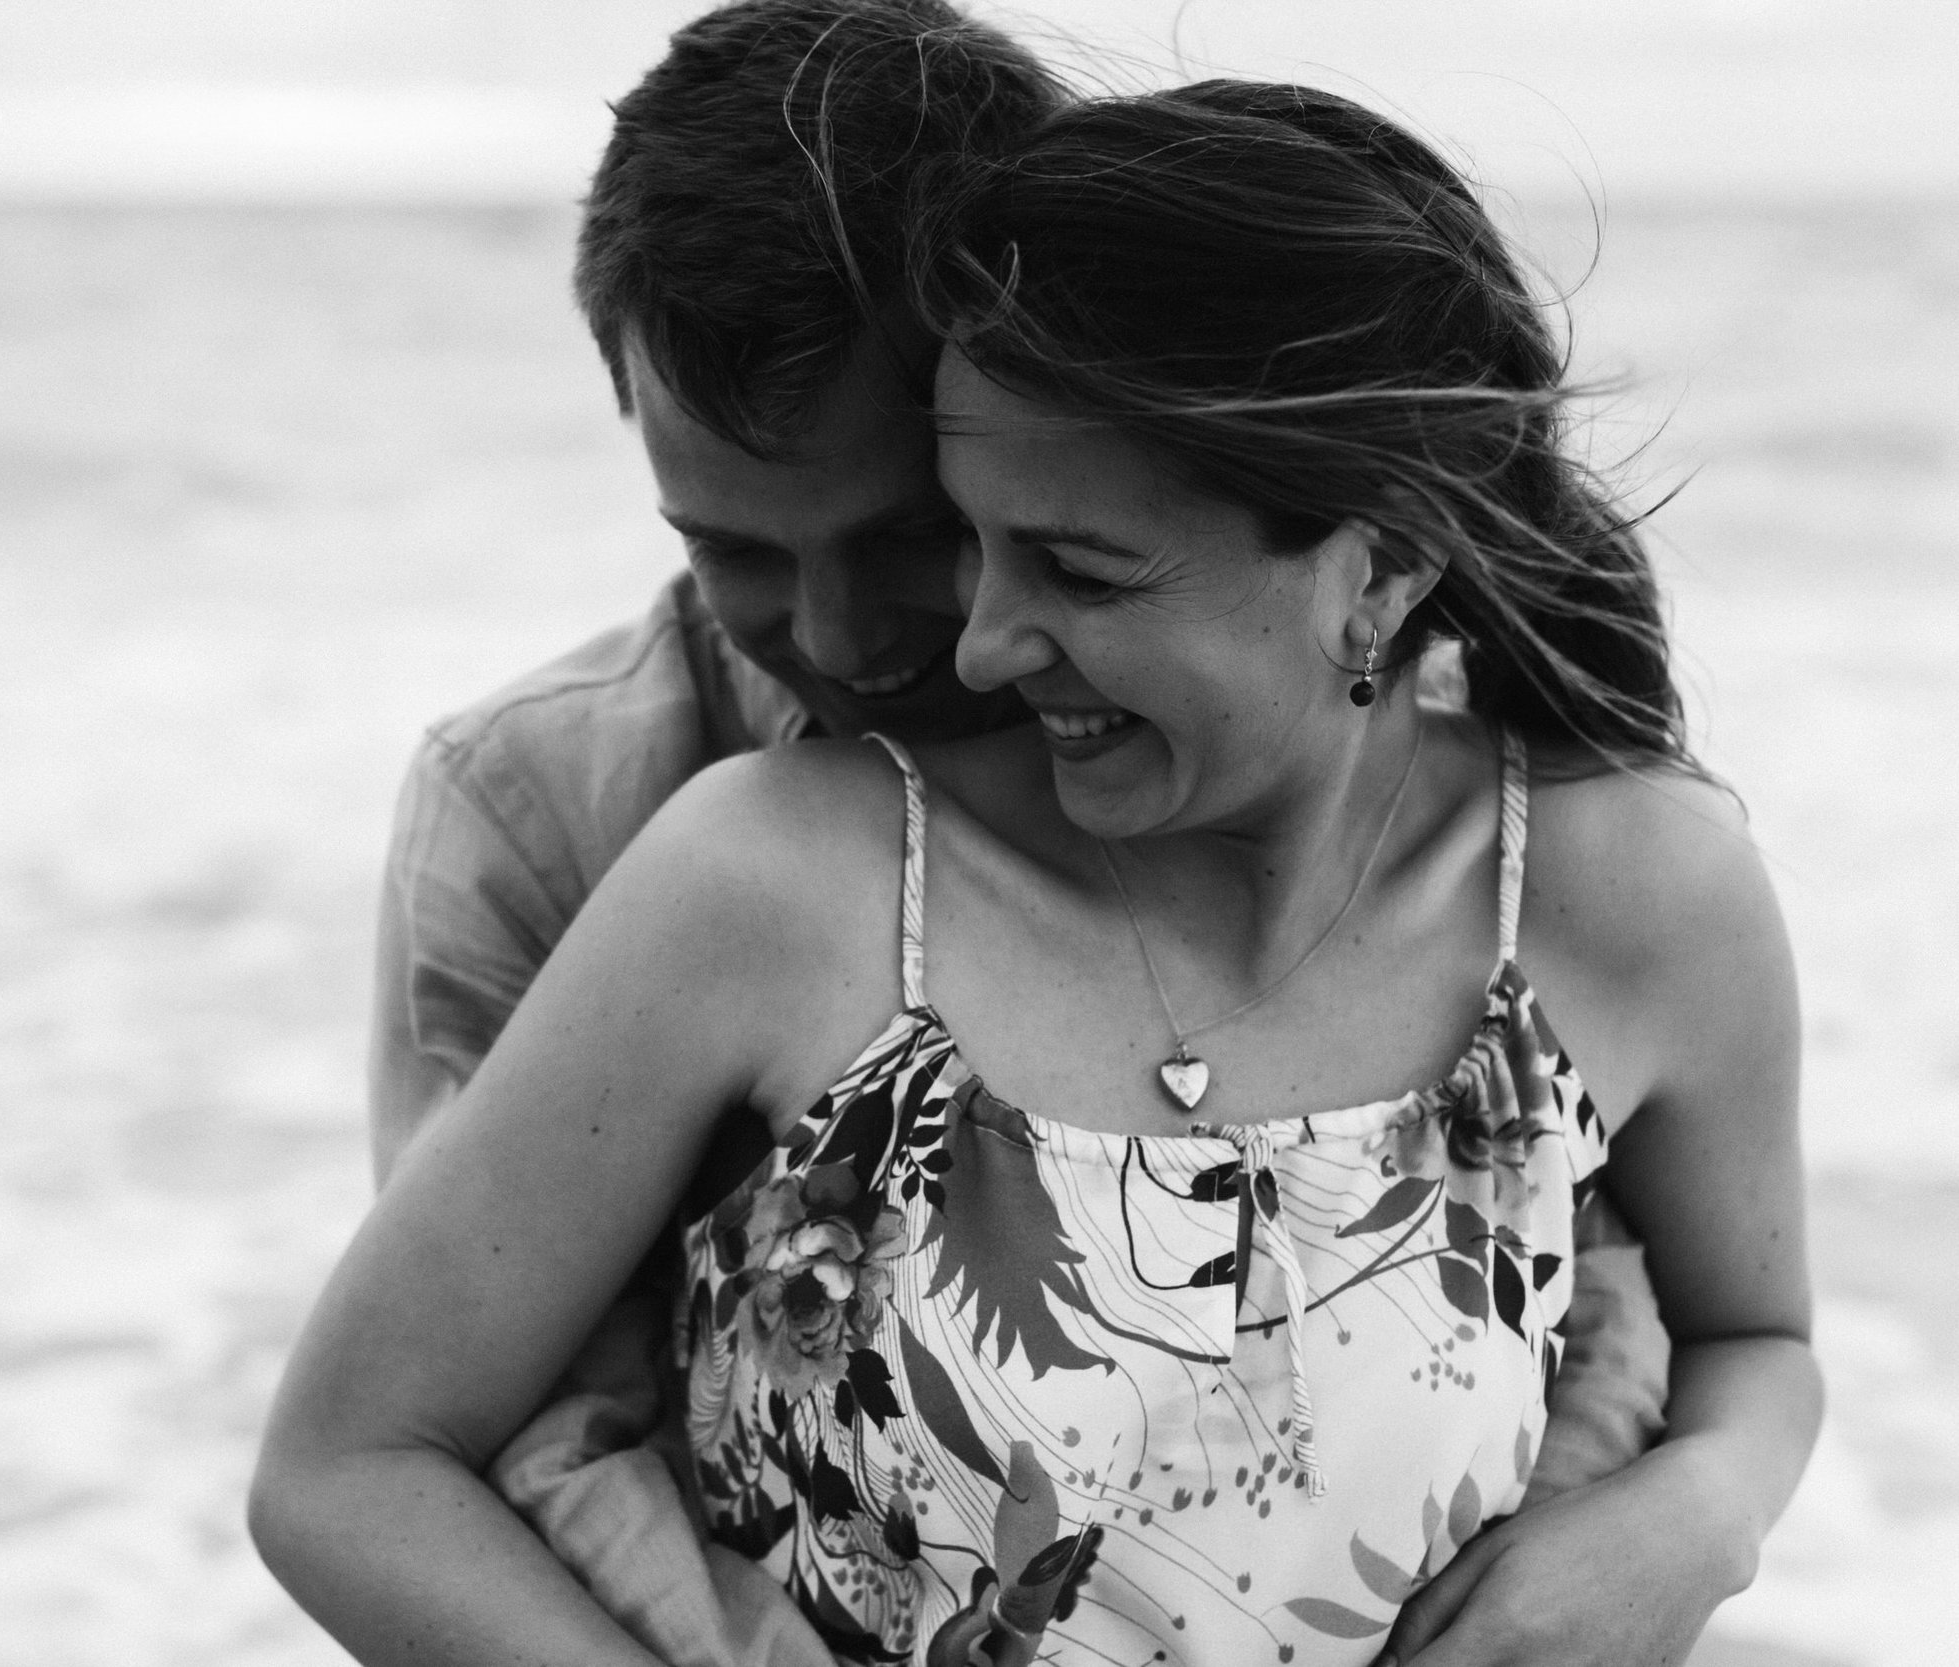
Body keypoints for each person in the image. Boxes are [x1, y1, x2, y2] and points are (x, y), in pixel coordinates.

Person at [258, 13, 1787, 1667]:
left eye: (940, 536)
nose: (877, 641)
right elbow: (494, 1444)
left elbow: (1641, 1307)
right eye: (735, 553)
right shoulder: (611, 829)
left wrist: (1696, 1514)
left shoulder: (1533, 848)